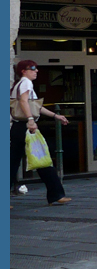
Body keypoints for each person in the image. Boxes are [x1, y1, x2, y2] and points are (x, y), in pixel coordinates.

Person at [10, 60, 70, 204]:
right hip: (26, 126)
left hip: (18, 127)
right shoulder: (26, 83)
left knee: (12, 163)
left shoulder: (20, 84)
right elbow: (24, 102)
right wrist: (31, 120)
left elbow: (37, 107)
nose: (36, 71)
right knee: (41, 159)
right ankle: (56, 194)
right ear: (23, 71)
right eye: (32, 68)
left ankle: (56, 194)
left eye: (36, 68)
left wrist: (55, 116)